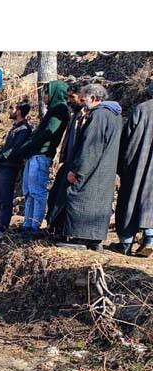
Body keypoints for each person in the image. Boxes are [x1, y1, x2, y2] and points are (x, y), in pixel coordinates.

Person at [56, 84, 123, 251]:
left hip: (91, 171)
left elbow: (90, 147)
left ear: (93, 98)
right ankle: (94, 240)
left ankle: (79, 238)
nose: (82, 102)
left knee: (81, 199)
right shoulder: (115, 116)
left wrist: (77, 170)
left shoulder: (98, 115)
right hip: (105, 170)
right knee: (99, 204)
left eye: (84, 99)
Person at [15, 80, 71, 234]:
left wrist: (29, 145)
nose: (44, 96)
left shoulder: (60, 110)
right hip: (34, 153)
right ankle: (27, 223)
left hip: (42, 154)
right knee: (28, 191)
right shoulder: (52, 110)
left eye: (46, 93)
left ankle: (35, 225)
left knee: (37, 191)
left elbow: (47, 133)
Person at [111, 81, 153, 257]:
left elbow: (128, 137)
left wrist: (122, 165)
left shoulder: (142, 109)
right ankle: (150, 237)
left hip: (138, 163)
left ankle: (126, 242)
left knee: (130, 199)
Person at [46, 84, 88, 238]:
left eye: (72, 97)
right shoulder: (75, 115)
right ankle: (54, 228)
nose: (69, 100)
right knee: (55, 195)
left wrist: (77, 166)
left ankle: (63, 231)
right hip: (68, 161)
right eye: (68, 97)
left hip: (76, 164)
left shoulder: (86, 116)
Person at [0, 102, 33, 234]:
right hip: (3, 165)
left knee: (5, 197)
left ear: (19, 111)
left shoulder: (24, 129)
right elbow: (7, 147)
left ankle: (2, 227)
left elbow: (14, 150)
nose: (10, 111)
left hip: (10, 166)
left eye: (12, 108)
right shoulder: (16, 128)